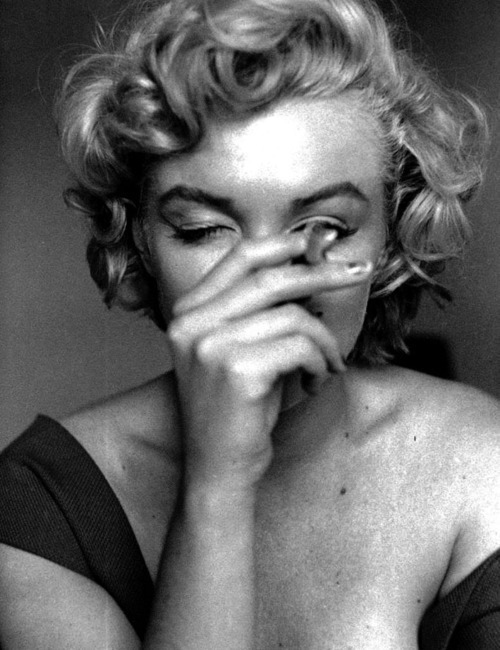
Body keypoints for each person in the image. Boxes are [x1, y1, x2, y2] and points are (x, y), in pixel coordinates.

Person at [0, 0, 498, 647]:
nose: (266, 279)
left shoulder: (483, 468)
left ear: (389, 237)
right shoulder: (43, 505)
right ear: (140, 240)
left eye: (325, 225)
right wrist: (217, 487)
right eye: (204, 229)